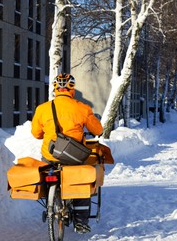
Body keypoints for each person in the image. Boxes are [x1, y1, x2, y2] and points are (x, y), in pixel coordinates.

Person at [31, 73, 103, 234]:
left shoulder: (42, 108)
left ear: (55, 88)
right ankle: (81, 222)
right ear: (72, 89)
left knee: (48, 169)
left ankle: (51, 200)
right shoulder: (82, 107)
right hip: (74, 157)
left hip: (50, 155)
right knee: (81, 182)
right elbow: (98, 130)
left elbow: (36, 134)